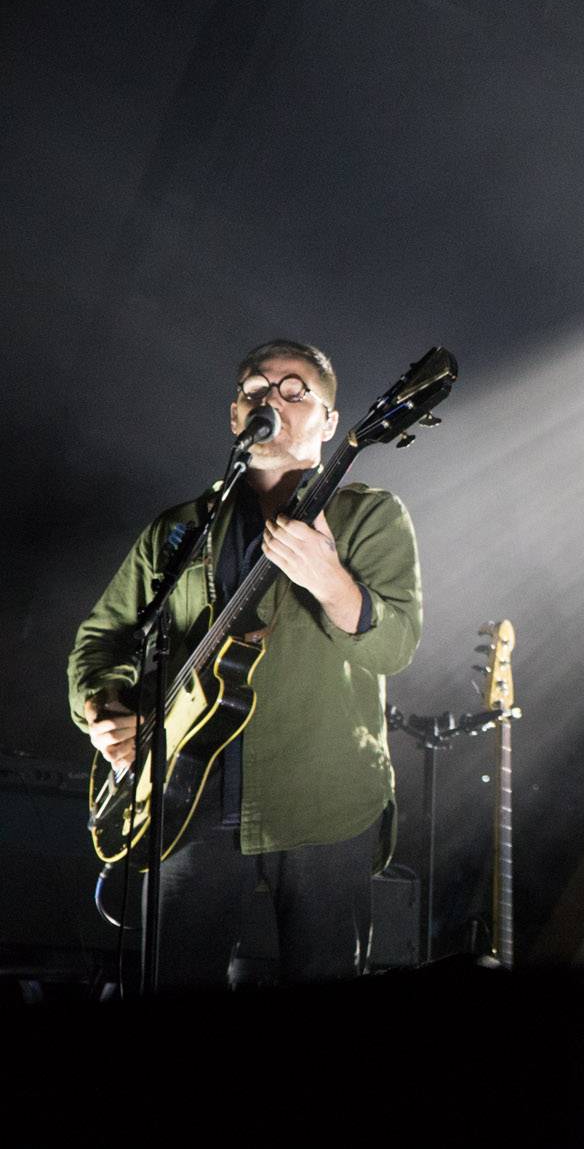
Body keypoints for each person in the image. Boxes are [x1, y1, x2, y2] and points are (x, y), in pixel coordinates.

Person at [69, 339, 421, 987]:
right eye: (257, 389)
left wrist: (332, 580)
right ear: (237, 415)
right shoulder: (179, 529)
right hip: (188, 804)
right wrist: (104, 707)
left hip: (323, 804)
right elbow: (103, 638)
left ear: (329, 421)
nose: (273, 400)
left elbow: (395, 642)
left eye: (295, 391)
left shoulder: (369, 514)